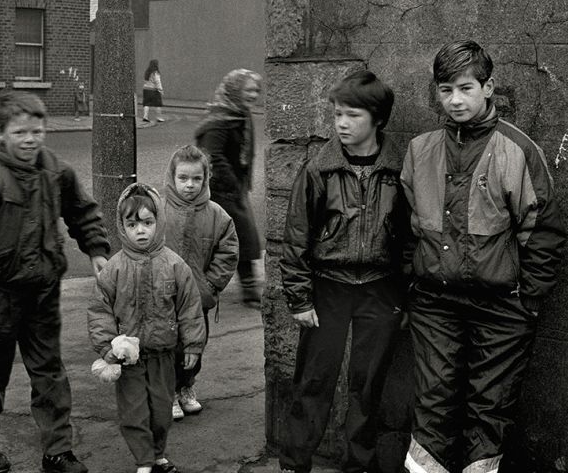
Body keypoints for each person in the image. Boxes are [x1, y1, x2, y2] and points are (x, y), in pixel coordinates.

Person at [400, 41, 566, 473]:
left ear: (488, 87)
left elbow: (544, 229)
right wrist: (412, 284)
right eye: (445, 90)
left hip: (501, 307)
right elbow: (406, 227)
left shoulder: (517, 149)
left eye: (466, 88)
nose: (455, 100)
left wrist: (527, 299)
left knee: (489, 408)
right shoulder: (420, 150)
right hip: (435, 303)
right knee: (432, 400)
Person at [0, 91, 110, 473]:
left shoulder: (56, 171)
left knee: (49, 371)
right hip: (0, 297)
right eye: (20, 131)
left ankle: (57, 450)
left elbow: (82, 210)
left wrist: (96, 249)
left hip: (42, 295)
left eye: (37, 131)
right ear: (1, 134)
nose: (30, 139)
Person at [277, 70, 411, 473]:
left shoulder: (398, 171)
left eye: (352, 115)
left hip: (379, 290)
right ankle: (293, 463)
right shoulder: (319, 169)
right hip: (328, 290)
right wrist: (299, 298)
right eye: (337, 114)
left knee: (367, 388)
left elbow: (409, 240)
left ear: (378, 119)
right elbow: (296, 236)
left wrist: (404, 298)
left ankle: (360, 465)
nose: (341, 124)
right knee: (313, 382)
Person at [88, 183, 206, 473]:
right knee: (134, 412)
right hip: (129, 360)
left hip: (164, 354)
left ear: (158, 223)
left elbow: (190, 307)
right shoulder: (114, 269)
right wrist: (106, 347)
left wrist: (192, 344)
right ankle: (144, 461)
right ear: (122, 227)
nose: (140, 230)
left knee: (162, 410)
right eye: (132, 224)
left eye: (147, 222)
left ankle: (158, 454)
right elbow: (100, 309)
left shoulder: (175, 265)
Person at [162, 144, 239, 420]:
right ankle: (168, 391)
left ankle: (186, 386)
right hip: (163, 297)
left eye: (197, 179)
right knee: (167, 346)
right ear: (172, 177)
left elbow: (228, 251)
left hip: (197, 298)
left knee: (195, 345)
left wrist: (210, 286)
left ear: (206, 179)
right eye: (183, 178)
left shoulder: (217, 215)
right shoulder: (158, 210)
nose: (190, 185)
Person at [195, 69, 264, 306]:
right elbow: (211, 155)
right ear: (235, 91)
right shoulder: (219, 120)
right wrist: (233, 184)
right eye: (249, 90)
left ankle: (248, 287)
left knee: (241, 238)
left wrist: (241, 184)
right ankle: (198, 286)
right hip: (216, 191)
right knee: (223, 240)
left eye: (256, 90)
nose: (254, 95)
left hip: (234, 190)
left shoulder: (240, 114)